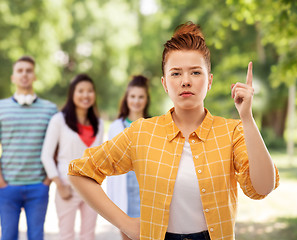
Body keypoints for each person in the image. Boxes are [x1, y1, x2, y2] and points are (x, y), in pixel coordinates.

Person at [67, 22, 280, 240]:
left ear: (210, 81)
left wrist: (247, 117)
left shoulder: (232, 132)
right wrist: (127, 225)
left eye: (196, 72)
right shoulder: (141, 133)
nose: (186, 81)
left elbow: (263, 187)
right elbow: (79, 172)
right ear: (165, 83)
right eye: (176, 74)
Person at [0, 56, 57, 240]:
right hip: (8, 186)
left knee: (36, 236)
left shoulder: (50, 109)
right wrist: (0, 182)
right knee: (8, 236)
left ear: (35, 76)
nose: (24, 74)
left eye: (28, 70)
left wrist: (47, 181)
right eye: (20, 70)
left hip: (38, 186)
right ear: (13, 77)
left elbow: (56, 147)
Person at [41, 73, 104, 240]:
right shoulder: (59, 120)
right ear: (72, 94)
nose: (85, 95)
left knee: (88, 235)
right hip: (67, 186)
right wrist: (59, 184)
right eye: (80, 91)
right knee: (66, 235)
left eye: (90, 91)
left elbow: (97, 158)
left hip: (92, 188)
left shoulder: (99, 123)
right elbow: (46, 156)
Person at [106, 75, 151, 240]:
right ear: (126, 99)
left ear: (146, 99)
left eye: (141, 97)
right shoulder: (116, 127)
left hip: (146, 192)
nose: (136, 101)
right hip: (123, 191)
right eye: (133, 96)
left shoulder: (152, 125)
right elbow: (110, 162)